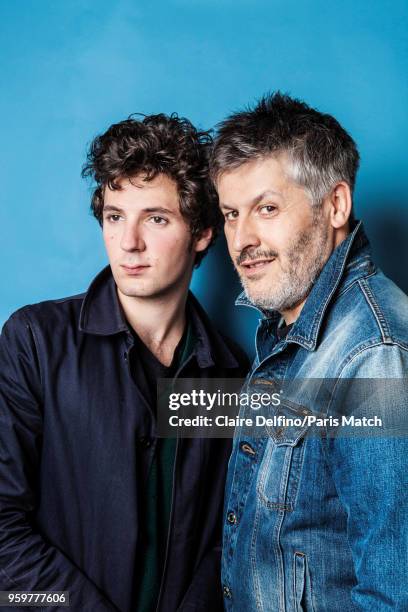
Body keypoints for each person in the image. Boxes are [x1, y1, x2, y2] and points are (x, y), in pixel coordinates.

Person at [0, 113, 248, 611]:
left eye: (155, 218)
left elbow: (227, 536)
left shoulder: (231, 374)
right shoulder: (35, 340)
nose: (128, 242)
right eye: (115, 217)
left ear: (201, 232)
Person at [209, 93, 408, 610]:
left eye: (267, 208)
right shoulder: (283, 326)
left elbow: (395, 592)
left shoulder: (373, 354)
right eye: (231, 214)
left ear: (336, 205)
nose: (242, 239)